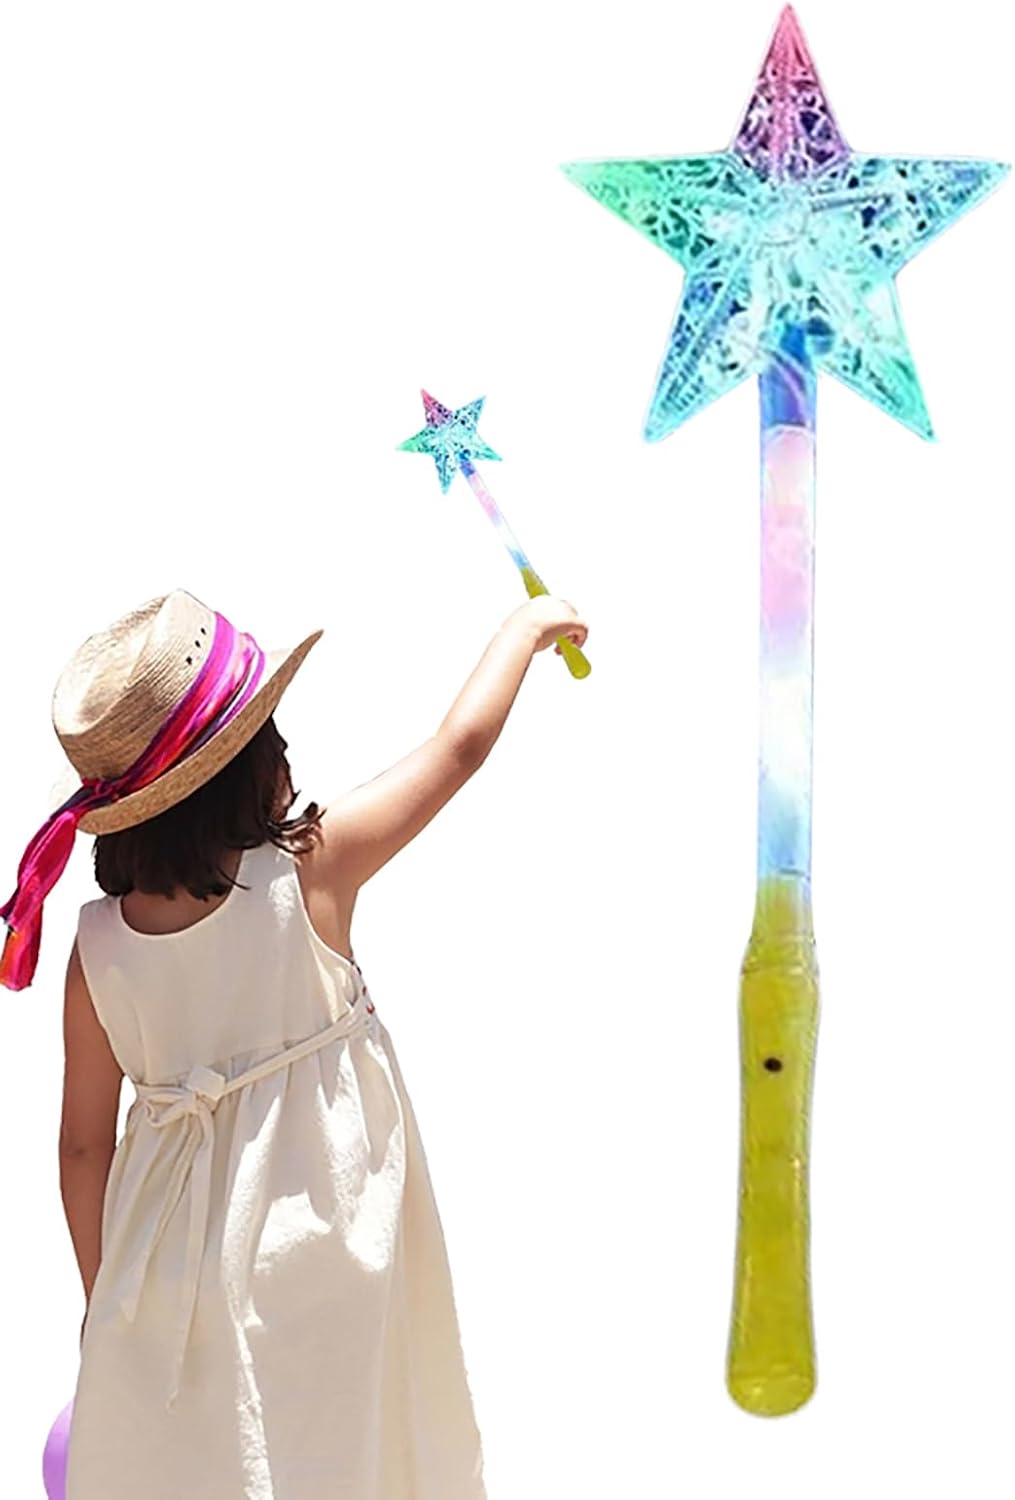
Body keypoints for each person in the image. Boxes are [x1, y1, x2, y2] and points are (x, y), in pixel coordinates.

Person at [0, 586, 588, 1499]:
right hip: (323, 1246)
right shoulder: (312, 868)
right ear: (243, 770)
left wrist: (104, 1297)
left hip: (169, 1265)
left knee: (205, 1459)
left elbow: (83, 1146)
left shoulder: (98, 948)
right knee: (342, 1451)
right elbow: (458, 748)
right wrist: (525, 629)